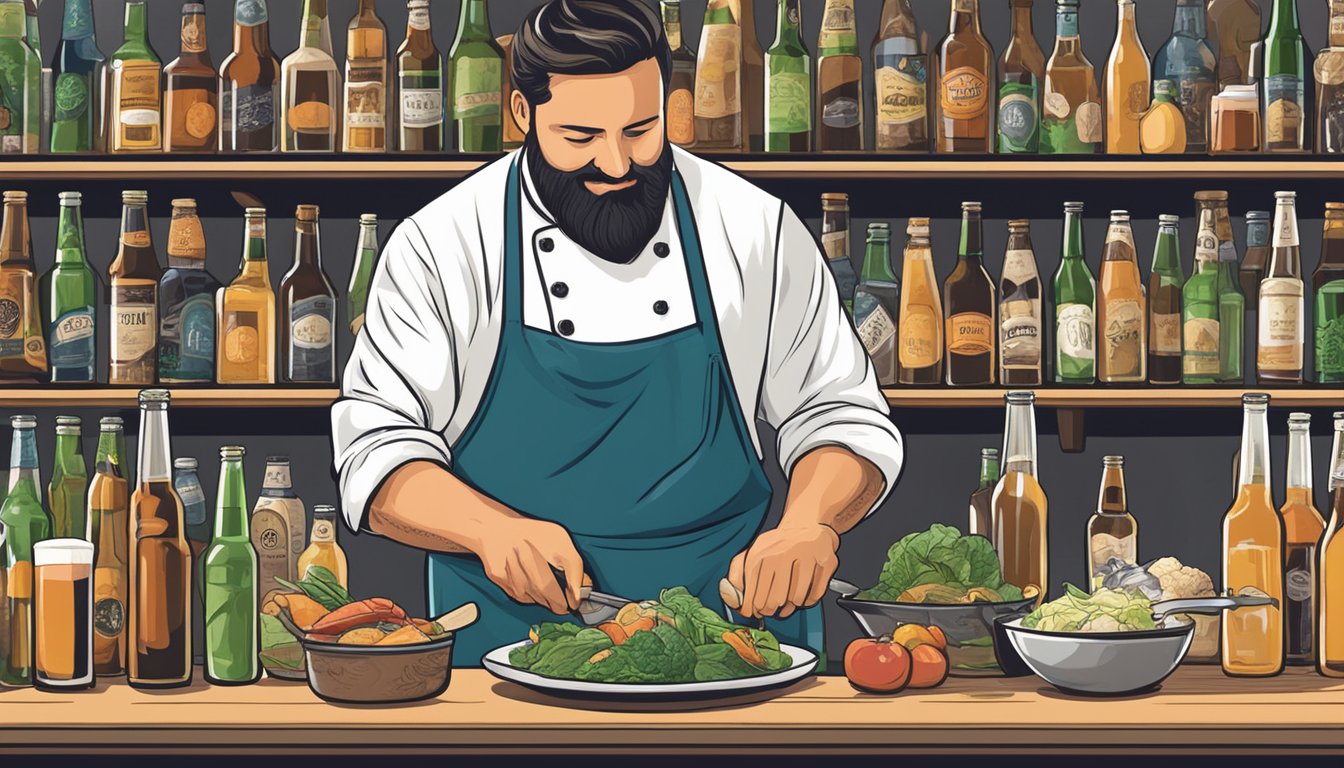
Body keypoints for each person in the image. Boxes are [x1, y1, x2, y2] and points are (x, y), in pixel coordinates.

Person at [332, 0, 903, 666]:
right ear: (522, 114)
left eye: (641, 128)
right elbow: (375, 450)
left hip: (732, 643)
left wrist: (810, 520)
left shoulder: (754, 229)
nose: (615, 162)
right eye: (581, 137)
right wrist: (489, 530)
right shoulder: (443, 243)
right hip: (510, 648)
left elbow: (841, 414)